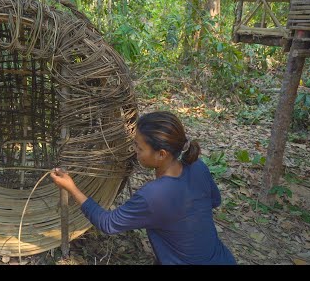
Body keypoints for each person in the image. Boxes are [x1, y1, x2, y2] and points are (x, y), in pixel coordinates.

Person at [50, 111, 236, 265]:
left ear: (161, 154)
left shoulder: (154, 195)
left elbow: (107, 223)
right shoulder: (198, 166)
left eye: (139, 148)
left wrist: (71, 187)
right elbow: (214, 201)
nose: (135, 152)